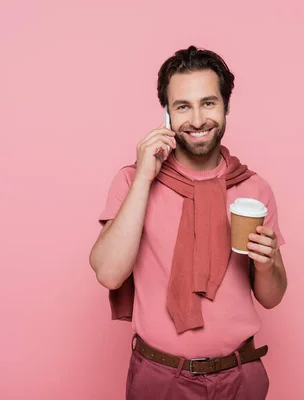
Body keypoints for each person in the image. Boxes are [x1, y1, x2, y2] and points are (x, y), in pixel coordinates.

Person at [90, 45, 287, 400]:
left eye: (208, 103)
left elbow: (271, 297)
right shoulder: (132, 182)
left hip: (241, 378)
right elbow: (108, 273)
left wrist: (268, 262)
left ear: (226, 106)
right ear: (166, 114)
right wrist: (145, 179)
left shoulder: (253, 188)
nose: (197, 120)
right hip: (160, 379)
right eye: (183, 106)